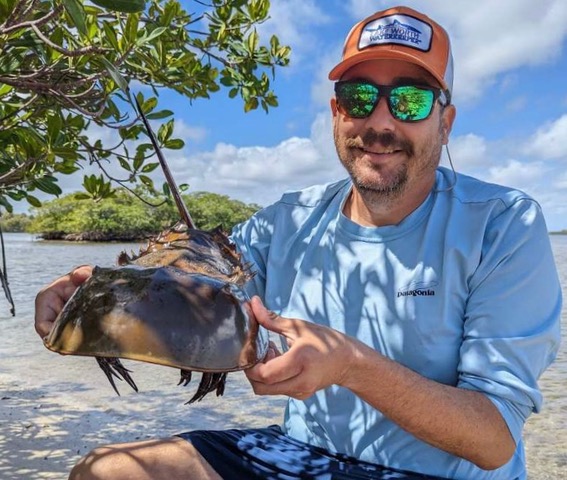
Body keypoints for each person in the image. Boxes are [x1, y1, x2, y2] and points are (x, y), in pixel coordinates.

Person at [34, 5, 561, 480]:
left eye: (410, 99)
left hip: (443, 476)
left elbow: (494, 440)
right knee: (106, 471)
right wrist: (97, 295)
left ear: (444, 123)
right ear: (336, 114)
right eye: (359, 98)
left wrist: (353, 366)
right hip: (301, 452)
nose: (380, 121)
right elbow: (198, 279)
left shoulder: (502, 225)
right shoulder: (289, 221)